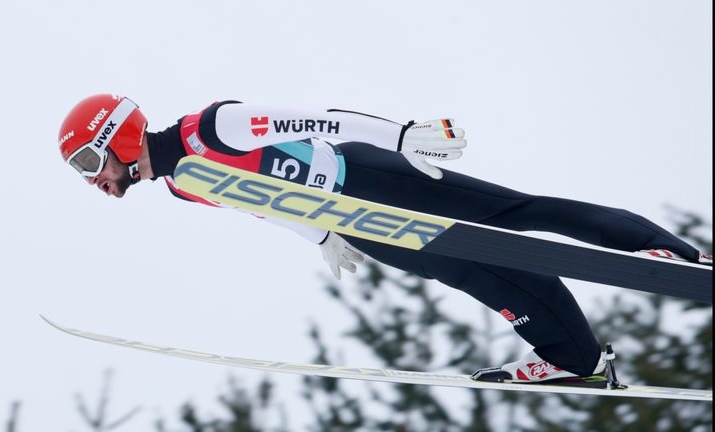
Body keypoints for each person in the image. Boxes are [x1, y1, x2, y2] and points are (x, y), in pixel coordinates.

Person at [58, 94, 710, 386]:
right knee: (485, 274)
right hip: (366, 226)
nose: (96, 181)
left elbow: (320, 117)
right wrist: (322, 237)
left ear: (116, 135)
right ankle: (573, 353)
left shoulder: (212, 128)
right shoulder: (183, 183)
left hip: (370, 177)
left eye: (91, 164)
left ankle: (663, 251)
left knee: (513, 215)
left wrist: (399, 135)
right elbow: (264, 205)